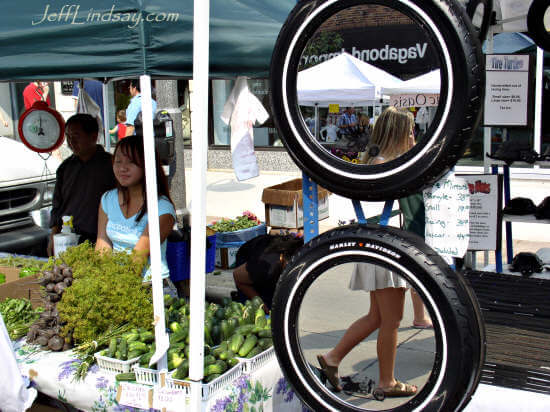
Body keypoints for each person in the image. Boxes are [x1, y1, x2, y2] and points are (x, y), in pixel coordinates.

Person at [318, 107, 418, 398]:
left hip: (376, 247)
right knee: (392, 320)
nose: (414, 136)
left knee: (377, 317)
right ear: (398, 133)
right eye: (410, 131)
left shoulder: (377, 161)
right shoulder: (388, 166)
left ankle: (333, 358)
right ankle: (387, 381)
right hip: (386, 250)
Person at [95, 135, 176, 281]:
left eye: (131, 162)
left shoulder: (162, 208)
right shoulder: (108, 199)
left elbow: (139, 258)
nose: (122, 168)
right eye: (118, 161)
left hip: (150, 286)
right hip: (114, 282)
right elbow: (102, 243)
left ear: (147, 164)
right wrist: (100, 276)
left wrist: (113, 288)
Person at [48, 114, 117, 256]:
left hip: (100, 239)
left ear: (93, 136)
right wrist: (53, 237)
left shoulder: (111, 165)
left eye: (76, 136)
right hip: (67, 238)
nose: (71, 141)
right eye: (68, 136)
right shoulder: (65, 168)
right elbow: (57, 206)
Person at [232, 234, 304, 312]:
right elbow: (237, 276)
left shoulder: (300, 249)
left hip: (263, 248)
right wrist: (260, 304)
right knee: (261, 305)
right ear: (282, 258)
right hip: (247, 259)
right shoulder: (266, 265)